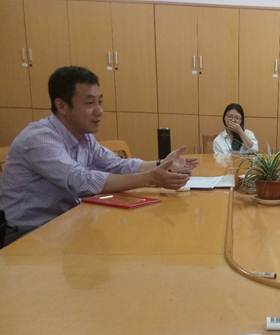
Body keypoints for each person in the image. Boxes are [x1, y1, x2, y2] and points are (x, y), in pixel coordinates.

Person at [0, 66, 198, 246]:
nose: (99, 111)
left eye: (100, 102)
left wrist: (162, 163)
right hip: (26, 235)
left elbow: (116, 165)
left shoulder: (84, 137)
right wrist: (150, 179)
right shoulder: (39, 139)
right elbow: (80, 181)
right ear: (62, 106)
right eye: (89, 103)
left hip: (65, 224)